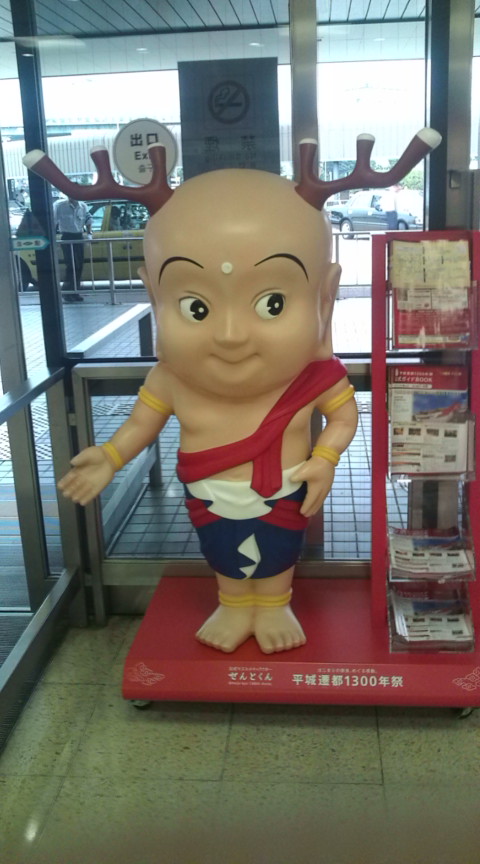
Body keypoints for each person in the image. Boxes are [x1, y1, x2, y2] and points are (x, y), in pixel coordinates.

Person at [54, 196, 92, 301]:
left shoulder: (83, 206)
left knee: (79, 265)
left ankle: (75, 292)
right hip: (67, 237)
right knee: (71, 265)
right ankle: (67, 292)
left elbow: (88, 221)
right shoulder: (60, 206)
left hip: (78, 236)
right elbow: (54, 222)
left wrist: (89, 234)